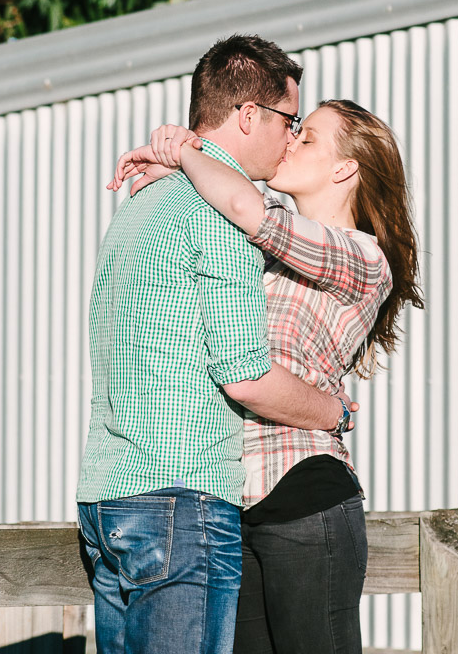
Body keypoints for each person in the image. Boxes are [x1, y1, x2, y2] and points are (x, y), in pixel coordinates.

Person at [111, 97, 423, 654]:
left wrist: (188, 149)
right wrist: (174, 169)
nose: (290, 141)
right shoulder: (270, 244)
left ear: (343, 169)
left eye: (308, 138)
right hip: (232, 498)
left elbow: (248, 209)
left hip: (302, 490)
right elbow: (230, 206)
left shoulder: (361, 257)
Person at [76, 35, 355, 654]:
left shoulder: (141, 204)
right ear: (248, 115)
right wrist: (334, 411)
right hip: (179, 503)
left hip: (105, 497)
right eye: (289, 120)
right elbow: (245, 377)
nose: (291, 137)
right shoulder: (220, 218)